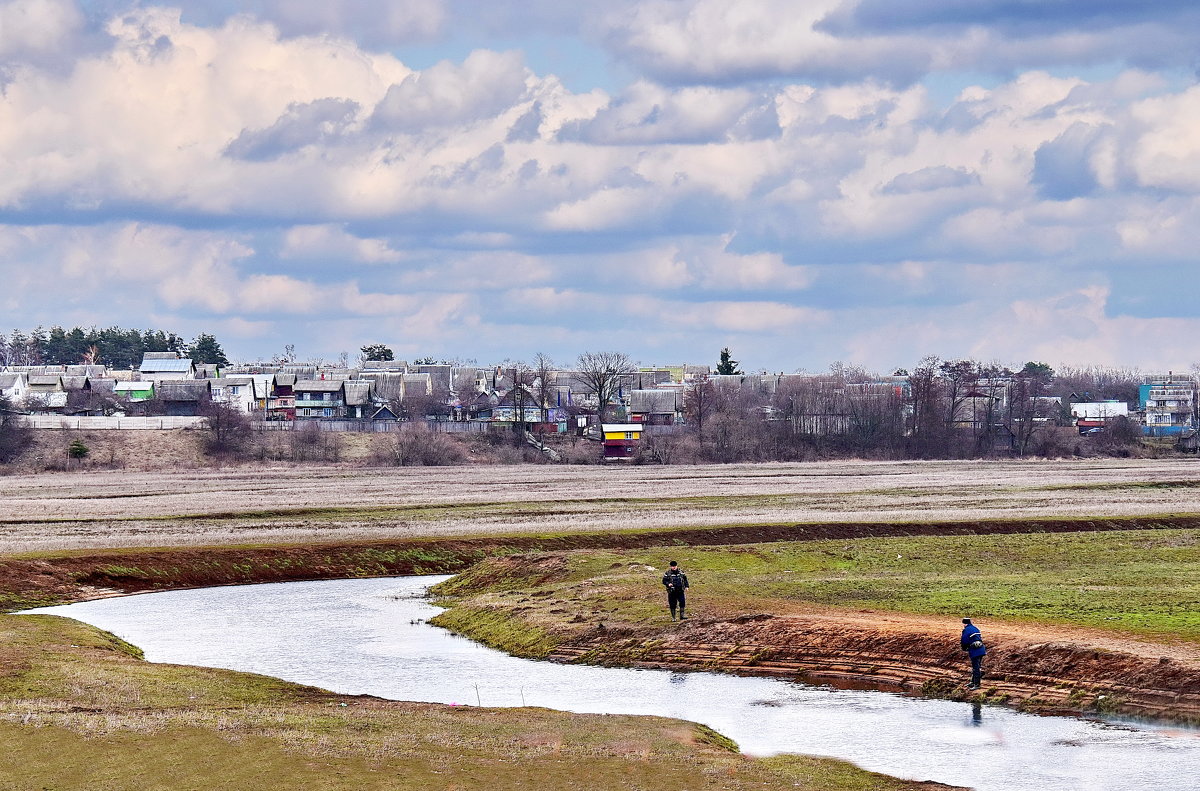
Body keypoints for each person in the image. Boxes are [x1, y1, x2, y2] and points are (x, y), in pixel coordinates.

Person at [960, 618, 987, 689]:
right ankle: (972, 682)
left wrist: (964, 648)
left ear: (964, 624)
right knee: (977, 665)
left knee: (976, 667)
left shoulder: (966, 630)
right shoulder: (976, 628)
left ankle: (977, 685)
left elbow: (964, 640)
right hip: (981, 649)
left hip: (974, 650)